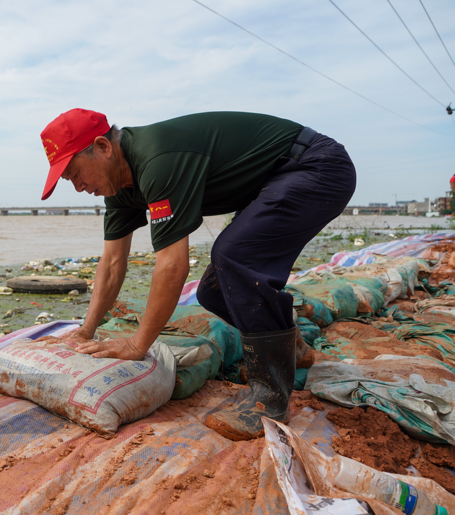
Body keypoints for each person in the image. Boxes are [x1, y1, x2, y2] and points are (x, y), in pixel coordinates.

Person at [39, 108, 356, 441]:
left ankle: (270, 400)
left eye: (76, 174)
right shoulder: (120, 187)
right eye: (68, 181)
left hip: (316, 166)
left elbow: (173, 265)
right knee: (214, 291)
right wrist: (85, 330)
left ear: (103, 147)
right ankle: (290, 347)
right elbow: (113, 262)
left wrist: (137, 344)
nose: (77, 187)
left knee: (233, 257)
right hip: (277, 179)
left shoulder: (157, 160)